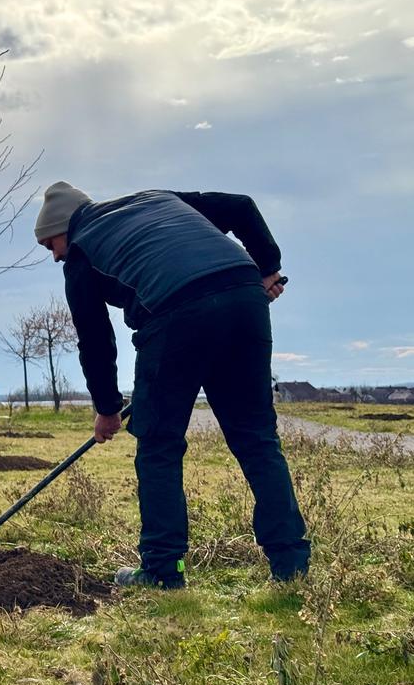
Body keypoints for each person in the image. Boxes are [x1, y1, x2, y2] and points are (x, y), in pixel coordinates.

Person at [35, 181, 309, 589]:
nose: (56, 256)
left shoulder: (81, 251)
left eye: (50, 245)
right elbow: (241, 206)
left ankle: (163, 571)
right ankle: (291, 569)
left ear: (64, 229)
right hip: (244, 295)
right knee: (257, 439)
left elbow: (94, 338)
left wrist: (107, 409)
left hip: (176, 313)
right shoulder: (159, 199)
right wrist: (267, 267)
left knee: (159, 445)